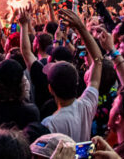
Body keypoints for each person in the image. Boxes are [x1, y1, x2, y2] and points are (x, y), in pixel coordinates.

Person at [41, 9, 102, 141]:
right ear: (77, 83)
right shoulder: (86, 105)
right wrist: (81, 27)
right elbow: (98, 61)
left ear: (50, 89)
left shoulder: (48, 124)